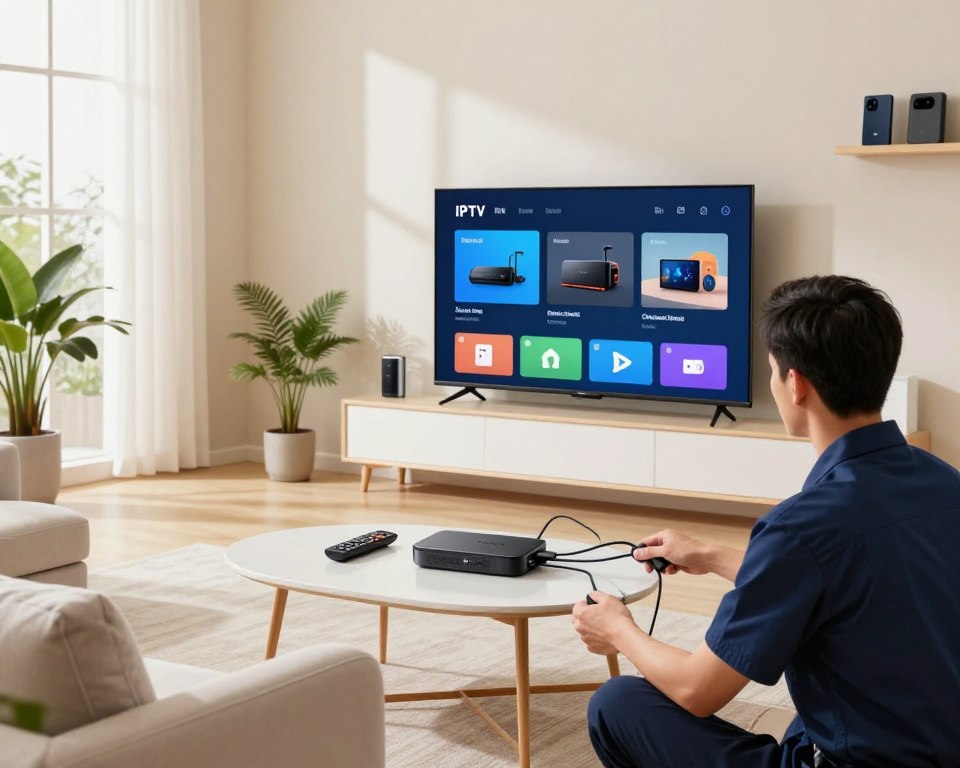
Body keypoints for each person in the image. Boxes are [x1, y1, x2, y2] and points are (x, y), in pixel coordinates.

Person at [571, 275, 960, 768]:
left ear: (795, 384)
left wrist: (619, 629)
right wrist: (710, 556)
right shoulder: (945, 481)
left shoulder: (800, 526)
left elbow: (698, 690)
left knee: (617, 705)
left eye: (773, 371)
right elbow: (847, 577)